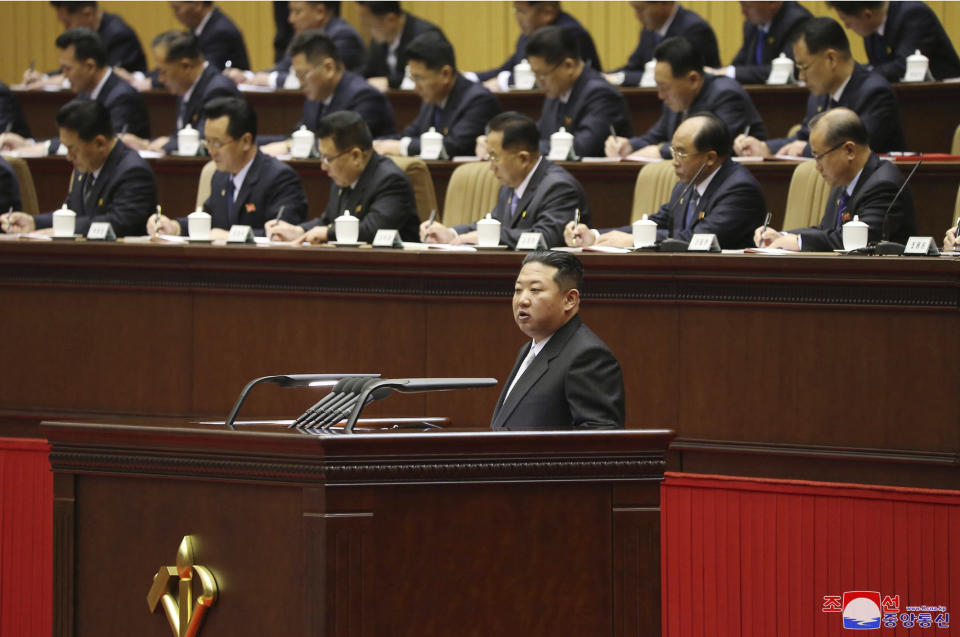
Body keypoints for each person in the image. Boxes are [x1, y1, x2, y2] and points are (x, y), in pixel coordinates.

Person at [569, 113, 764, 250]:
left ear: (710, 158)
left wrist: (636, 240)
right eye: (673, 152)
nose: (674, 161)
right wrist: (595, 235)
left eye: (681, 153)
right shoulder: (686, 185)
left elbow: (698, 239)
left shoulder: (740, 190)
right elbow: (654, 223)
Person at [490, 250, 625, 430]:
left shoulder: (587, 357)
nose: (522, 300)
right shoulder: (530, 349)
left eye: (535, 290)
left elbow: (600, 438)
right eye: (517, 290)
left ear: (570, 299)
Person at [735, 17, 905, 158]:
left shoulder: (875, 93)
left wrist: (805, 149)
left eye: (804, 67)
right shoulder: (819, 94)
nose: (801, 77)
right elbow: (803, 137)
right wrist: (764, 147)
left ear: (831, 58)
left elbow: (853, 149)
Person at [754, 108, 916, 252]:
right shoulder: (845, 181)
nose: (817, 167)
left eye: (819, 157)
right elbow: (826, 230)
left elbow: (857, 241)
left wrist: (799, 241)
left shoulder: (884, 185)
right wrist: (782, 236)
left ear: (849, 150)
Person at [147, 97, 307, 239]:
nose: (211, 151)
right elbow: (208, 219)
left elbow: (282, 234)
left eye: (217, 143)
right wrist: (174, 227)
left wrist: (231, 236)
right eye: (207, 142)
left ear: (245, 141)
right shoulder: (220, 176)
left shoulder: (279, 178)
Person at [424, 111, 588, 249]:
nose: (491, 166)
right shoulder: (511, 184)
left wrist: (484, 236)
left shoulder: (559, 187)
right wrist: (451, 233)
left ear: (523, 159)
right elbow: (492, 224)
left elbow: (545, 237)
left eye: (495, 157)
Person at [0, 100, 157, 237]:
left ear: (100, 143)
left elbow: (118, 223)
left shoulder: (133, 172)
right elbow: (70, 214)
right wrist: (34, 222)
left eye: (72, 149)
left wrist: (64, 229)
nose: (68, 156)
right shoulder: (86, 168)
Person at [266, 111, 419, 245]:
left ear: (356, 156)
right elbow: (329, 221)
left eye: (328, 158)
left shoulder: (391, 181)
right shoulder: (345, 176)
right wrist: (299, 230)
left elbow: (373, 230)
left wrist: (327, 233)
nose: (323, 166)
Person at [606, 36, 766, 160]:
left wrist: (661, 151)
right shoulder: (677, 99)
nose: (660, 95)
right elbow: (656, 137)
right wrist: (629, 145)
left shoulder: (726, 95)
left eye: (665, 87)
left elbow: (710, 146)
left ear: (693, 79)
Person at [4, 28, 150, 156]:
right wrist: (28, 143)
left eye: (68, 69)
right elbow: (73, 139)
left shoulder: (122, 97)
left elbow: (106, 145)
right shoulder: (86, 93)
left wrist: (44, 148)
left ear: (90, 67)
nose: (64, 76)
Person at [260, 30, 396, 156]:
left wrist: (289, 146)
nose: (300, 84)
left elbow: (343, 144)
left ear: (329, 68)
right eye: (297, 76)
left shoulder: (364, 97)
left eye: (303, 75)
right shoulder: (316, 96)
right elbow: (295, 135)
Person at [506, 25, 631, 159]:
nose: (539, 83)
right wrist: (510, 141)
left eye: (542, 75)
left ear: (568, 66)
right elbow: (539, 133)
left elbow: (581, 147)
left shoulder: (601, 94)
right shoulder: (557, 89)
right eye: (534, 75)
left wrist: (524, 147)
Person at [373, 33, 500, 159]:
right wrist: (375, 144)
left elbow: (454, 145)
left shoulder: (479, 100)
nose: (416, 89)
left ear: (445, 74)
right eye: (413, 79)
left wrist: (401, 147)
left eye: (419, 79)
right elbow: (408, 135)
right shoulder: (433, 98)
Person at [121, 30, 241, 155]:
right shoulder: (187, 87)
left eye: (163, 72)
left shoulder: (218, 90)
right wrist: (144, 143)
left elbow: (206, 140)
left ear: (185, 66)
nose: (160, 79)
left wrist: (165, 144)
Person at [225, 1, 365, 88]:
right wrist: (248, 76)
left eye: (297, 12)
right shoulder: (304, 36)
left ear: (320, 12)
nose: (290, 19)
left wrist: (270, 79)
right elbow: (282, 68)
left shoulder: (343, 37)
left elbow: (315, 80)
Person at [472, 1, 602, 91]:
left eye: (521, 11)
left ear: (547, 13)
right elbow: (508, 68)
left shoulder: (568, 34)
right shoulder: (528, 35)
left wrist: (504, 82)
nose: (517, 18)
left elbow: (550, 75)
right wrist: (472, 78)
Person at [827, 1, 960, 82]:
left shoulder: (914, 14)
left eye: (846, 20)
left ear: (867, 15)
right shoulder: (871, 27)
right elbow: (879, 66)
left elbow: (903, 66)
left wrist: (855, 74)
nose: (847, 27)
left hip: (944, 97)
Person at [607, 1, 719, 86]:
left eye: (641, 9)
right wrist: (603, 77)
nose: (637, 16)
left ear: (665, 3)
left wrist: (619, 78)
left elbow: (674, 76)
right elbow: (634, 66)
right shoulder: (649, 30)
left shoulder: (694, 29)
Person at [709, 1, 812, 85]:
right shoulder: (752, 24)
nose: (743, 11)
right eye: (741, 4)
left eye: (747, 6)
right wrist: (717, 73)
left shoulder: (797, 22)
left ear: (773, 3)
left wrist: (730, 72)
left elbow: (786, 71)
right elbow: (740, 63)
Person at [357, 1, 446, 90]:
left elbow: (424, 77)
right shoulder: (379, 41)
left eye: (369, 25)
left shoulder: (427, 37)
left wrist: (389, 82)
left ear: (390, 19)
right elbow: (367, 71)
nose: (366, 30)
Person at [169, 1, 250, 71]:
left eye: (176, 9)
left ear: (197, 5)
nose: (175, 15)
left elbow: (202, 74)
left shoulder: (221, 32)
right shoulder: (197, 29)